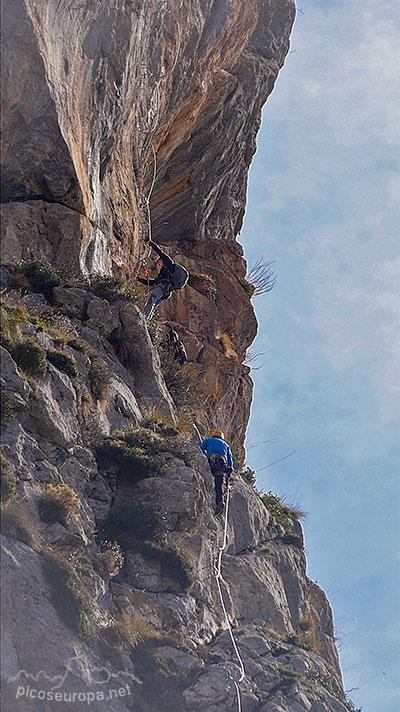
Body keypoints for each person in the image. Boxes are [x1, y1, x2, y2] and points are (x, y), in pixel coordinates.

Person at [138, 239, 189, 320]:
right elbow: (153, 282)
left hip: (163, 288)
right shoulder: (164, 272)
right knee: (153, 305)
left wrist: (150, 243)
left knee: (151, 299)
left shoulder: (170, 265)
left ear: (161, 260)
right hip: (166, 292)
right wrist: (139, 279)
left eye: (159, 261)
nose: (158, 263)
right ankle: (146, 321)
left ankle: (144, 319)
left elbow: (160, 252)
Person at [200, 431, 233, 514]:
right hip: (222, 464)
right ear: (221, 437)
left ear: (213, 435)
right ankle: (219, 502)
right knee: (219, 485)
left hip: (212, 461)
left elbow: (200, 449)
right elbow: (230, 459)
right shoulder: (226, 445)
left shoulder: (208, 440)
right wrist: (229, 469)